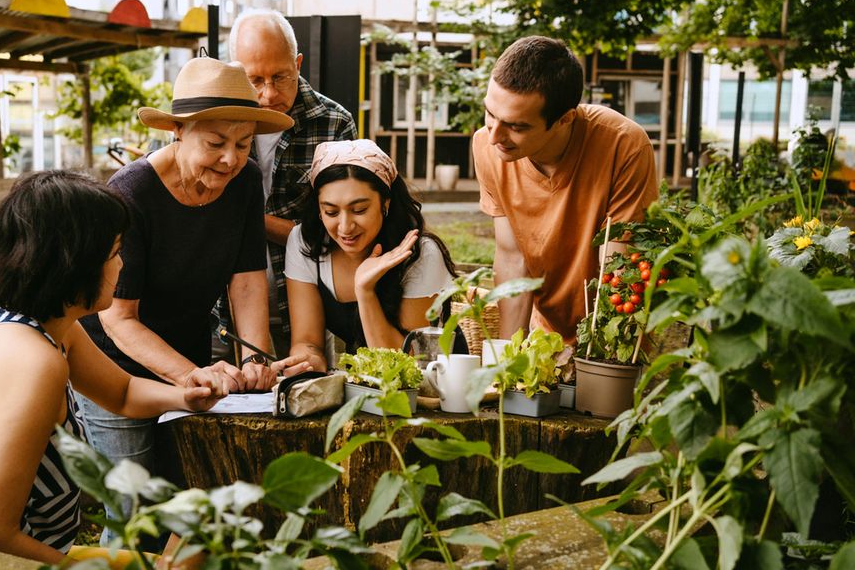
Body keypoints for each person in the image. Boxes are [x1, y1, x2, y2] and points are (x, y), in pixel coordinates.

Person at [0, 171, 229, 563]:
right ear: (75, 264)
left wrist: (185, 395)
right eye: (114, 252)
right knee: (198, 542)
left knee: (199, 532)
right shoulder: (31, 365)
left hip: (3, 552)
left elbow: (121, 393)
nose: (121, 266)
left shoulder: (45, 324)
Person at [77, 57, 305, 543]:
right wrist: (189, 376)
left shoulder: (243, 183)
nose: (230, 159)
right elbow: (119, 319)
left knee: (190, 499)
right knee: (135, 511)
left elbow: (246, 281)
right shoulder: (130, 195)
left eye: (243, 145)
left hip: (188, 353)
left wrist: (255, 362)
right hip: (114, 364)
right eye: (215, 144)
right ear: (179, 130)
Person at [472, 35, 658, 342]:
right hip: (544, 336)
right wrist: (507, 361)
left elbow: (619, 267)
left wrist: (593, 355)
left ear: (565, 119)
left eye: (517, 126)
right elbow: (511, 257)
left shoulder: (623, 145)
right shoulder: (486, 145)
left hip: (612, 340)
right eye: (490, 115)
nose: (495, 136)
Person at [227, 9, 357, 358]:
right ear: (234, 71)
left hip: (304, 316)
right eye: (255, 80)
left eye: (280, 77)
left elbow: (335, 235)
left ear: (298, 63)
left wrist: (244, 219)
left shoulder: (333, 125)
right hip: (220, 316)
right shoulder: (213, 121)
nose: (269, 94)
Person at [280, 139, 461, 372]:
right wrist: (307, 363)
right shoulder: (306, 242)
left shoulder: (420, 253)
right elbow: (307, 342)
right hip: (371, 387)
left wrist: (365, 292)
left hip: (437, 388)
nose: (345, 227)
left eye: (359, 210)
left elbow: (408, 365)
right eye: (331, 211)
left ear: (385, 202)